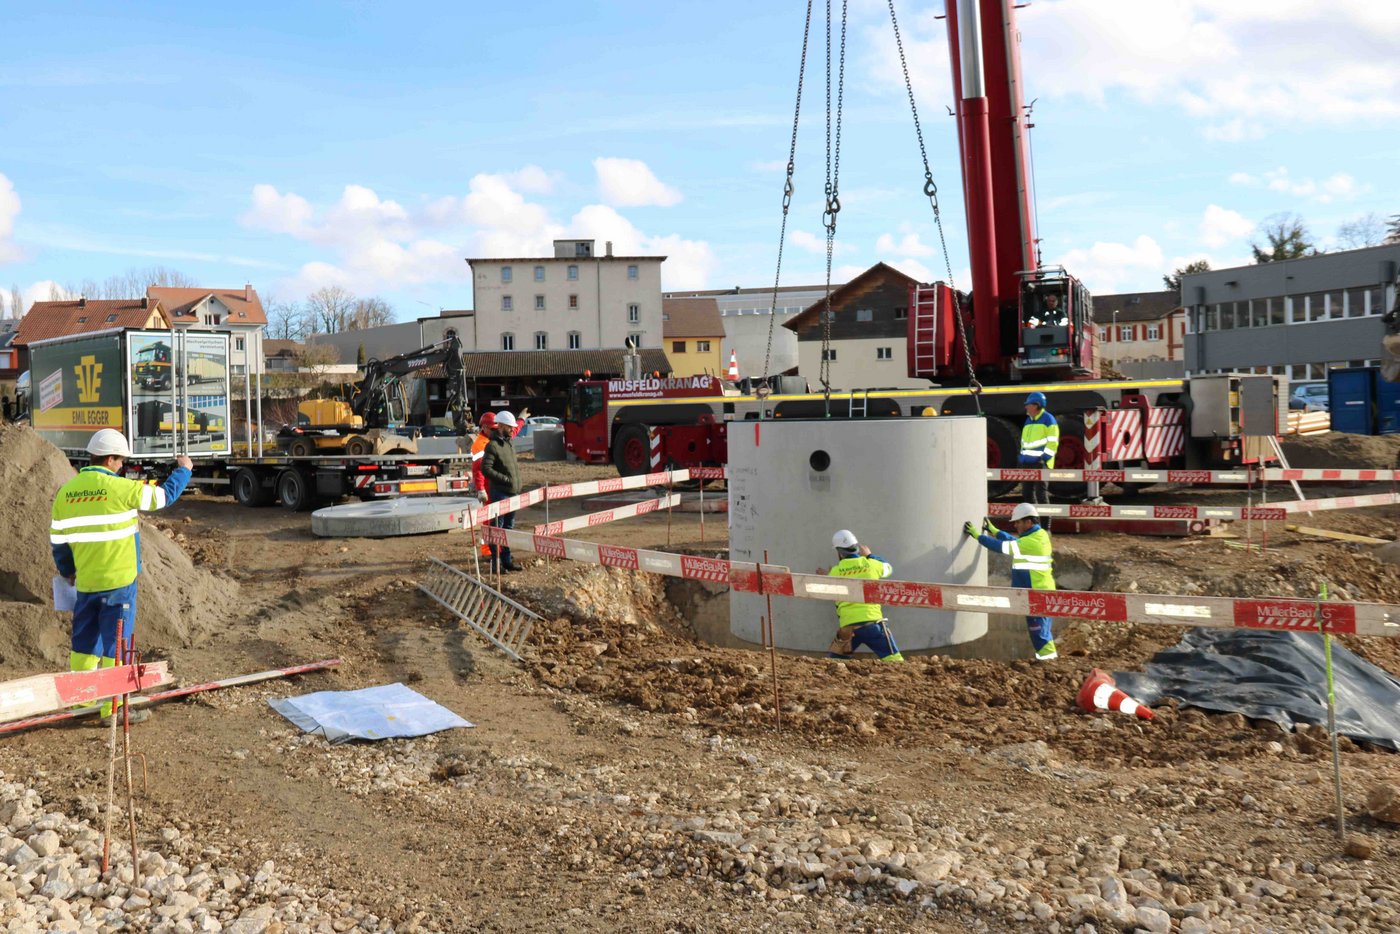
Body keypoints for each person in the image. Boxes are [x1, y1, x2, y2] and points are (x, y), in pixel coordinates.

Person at [50, 429, 192, 723]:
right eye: (121, 460)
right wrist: (184, 470)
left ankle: (81, 703)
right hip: (119, 583)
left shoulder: (66, 493)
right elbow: (163, 496)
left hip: (86, 583)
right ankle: (111, 710)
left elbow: (59, 542)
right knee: (117, 644)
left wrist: (68, 572)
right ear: (111, 458)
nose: (122, 465)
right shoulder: (121, 489)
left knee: (84, 643)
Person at [964, 503, 1057, 660]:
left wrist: (977, 536)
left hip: (1038, 594)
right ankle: (1048, 662)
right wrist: (995, 531)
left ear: (1028, 522)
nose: (1016, 525)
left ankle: (1049, 664)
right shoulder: (1036, 536)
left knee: (1040, 634)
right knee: (1040, 632)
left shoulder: (1032, 542)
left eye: (1018, 522)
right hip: (1037, 591)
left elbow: (1002, 547)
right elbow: (1012, 541)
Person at [825, 530, 904, 662]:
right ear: (856, 547)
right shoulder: (871, 565)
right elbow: (888, 568)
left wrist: (825, 575)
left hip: (848, 629)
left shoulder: (835, 571)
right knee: (895, 661)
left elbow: (827, 585)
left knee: (835, 663)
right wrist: (870, 555)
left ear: (839, 552)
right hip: (872, 624)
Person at [480, 411, 523, 573]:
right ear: (502, 426)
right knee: (496, 530)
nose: (513, 430)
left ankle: (506, 561)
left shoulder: (508, 443)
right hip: (501, 493)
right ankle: (495, 563)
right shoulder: (493, 445)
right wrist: (505, 480)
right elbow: (486, 468)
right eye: (510, 427)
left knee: (508, 528)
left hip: (512, 493)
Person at [1020, 391, 1059, 513]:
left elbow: (1053, 442)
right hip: (1028, 463)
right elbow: (1024, 442)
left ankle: (1046, 527)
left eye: (1028, 404)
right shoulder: (1029, 420)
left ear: (1036, 405)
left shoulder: (1048, 419)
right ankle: (1034, 524)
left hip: (1041, 463)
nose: (1026, 406)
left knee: (1041, 494)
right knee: (1027, 494)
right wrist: (1022, 456)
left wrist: (1045, 458)